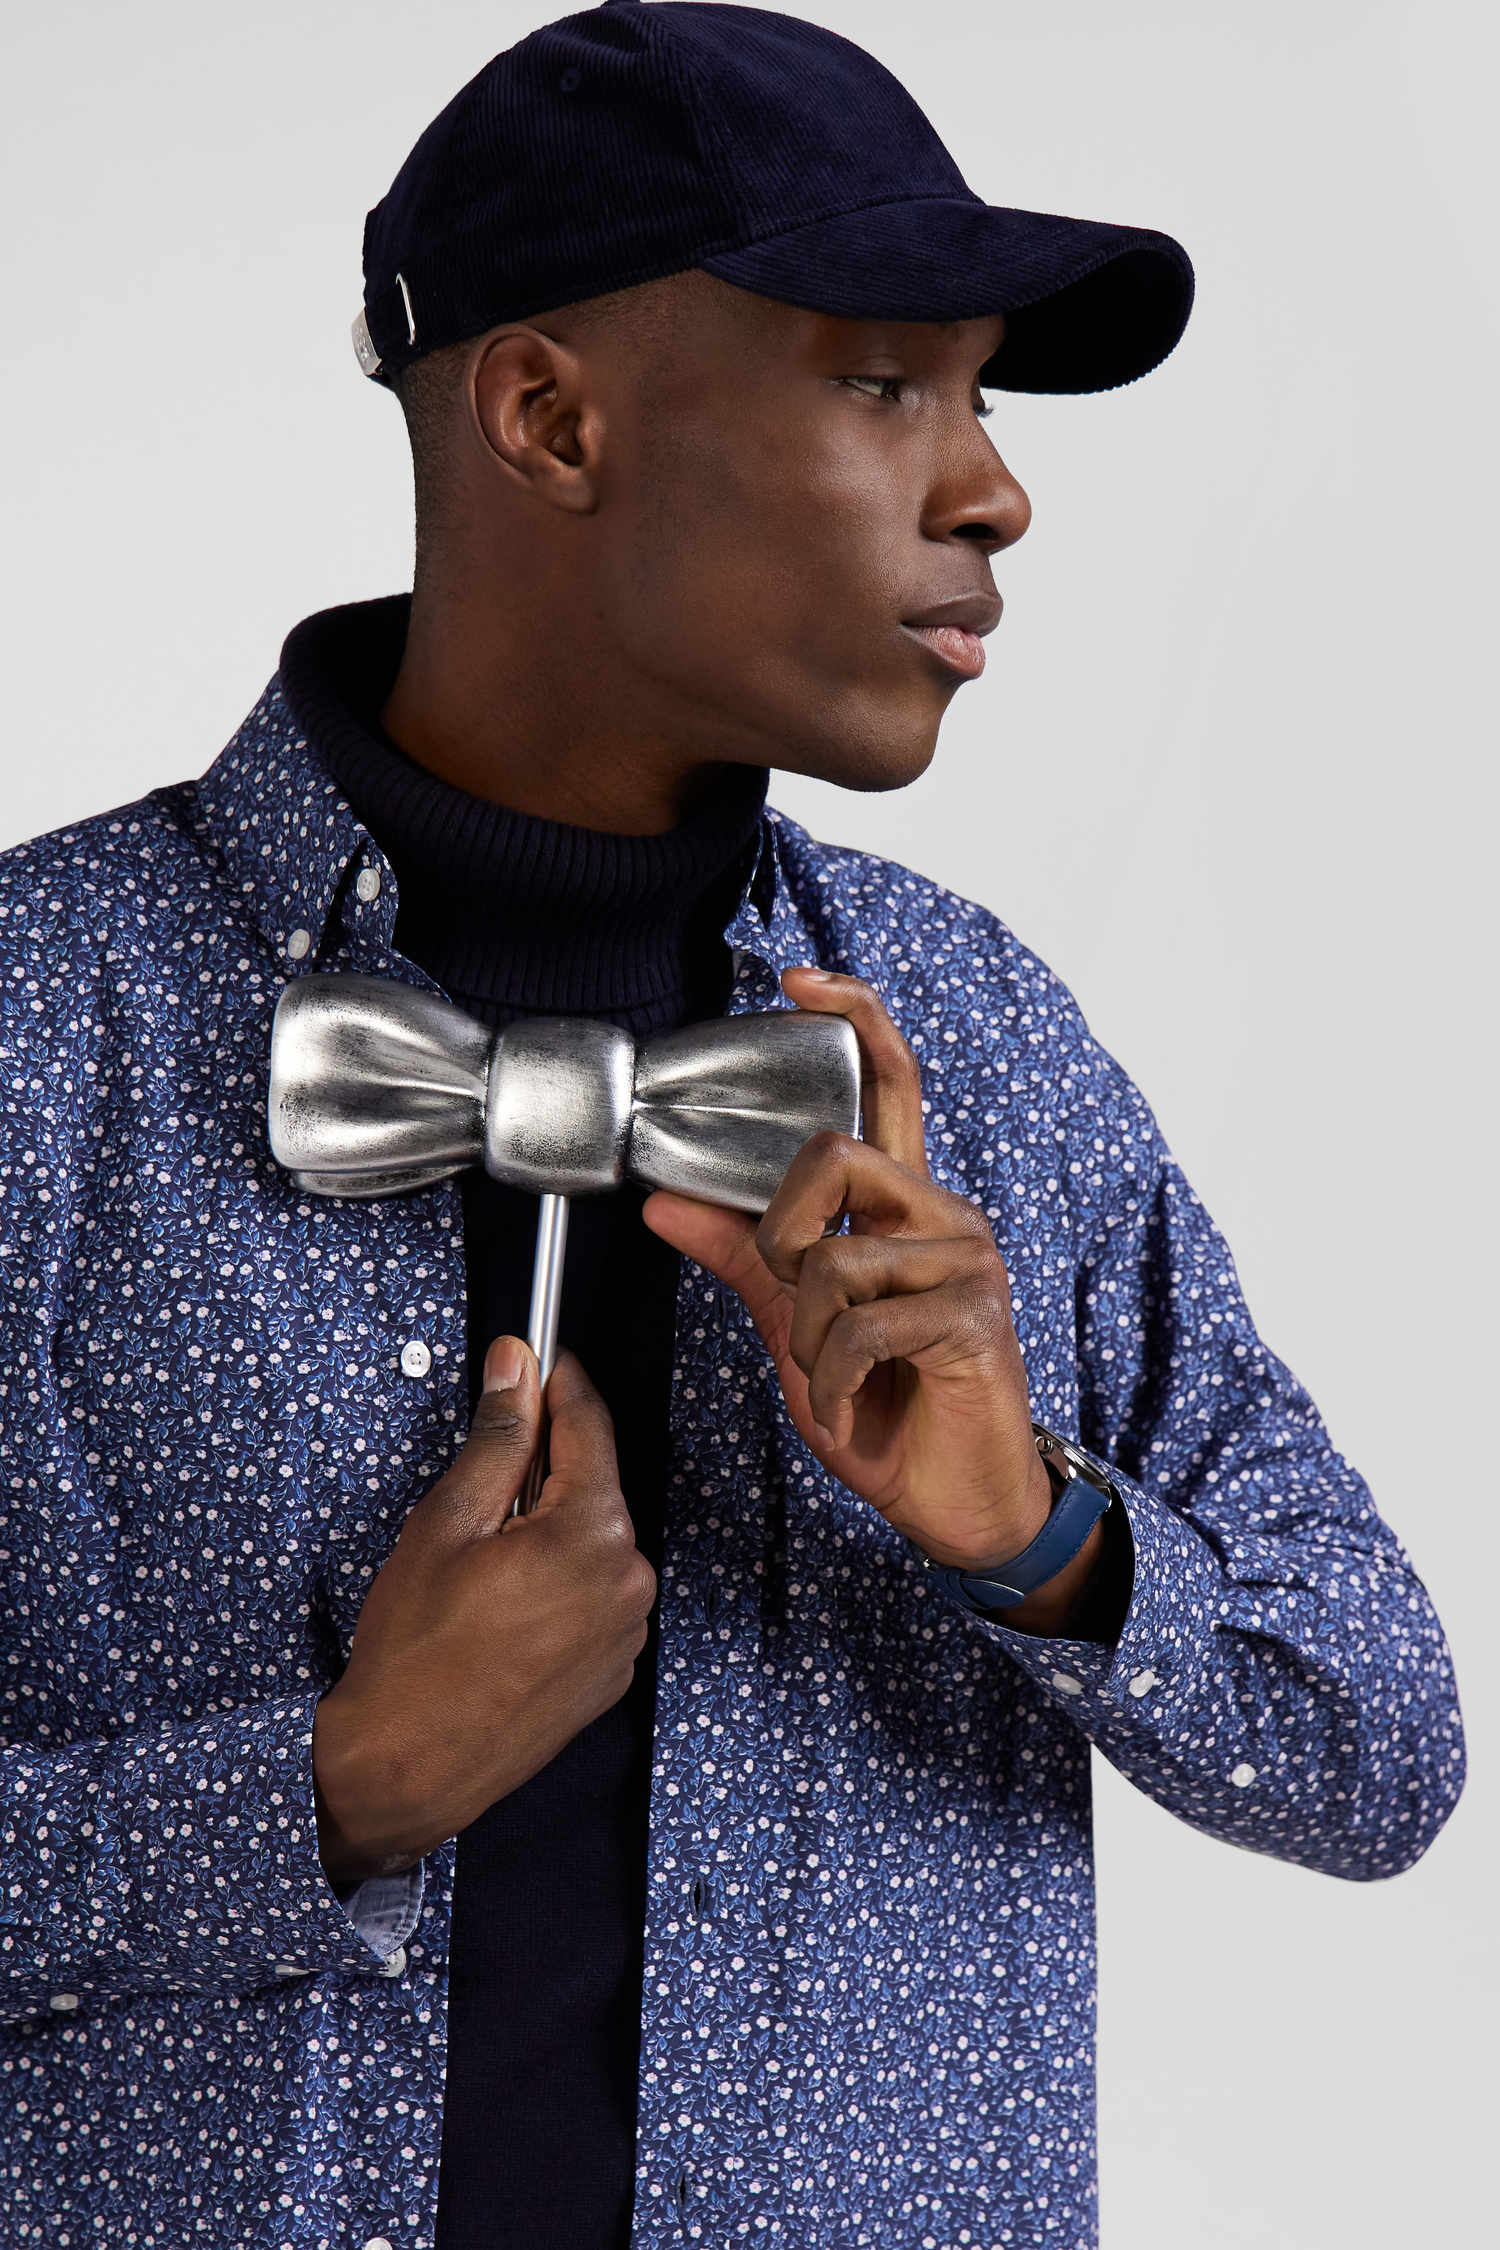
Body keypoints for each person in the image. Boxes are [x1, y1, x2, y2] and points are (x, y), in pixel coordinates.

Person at [0, 4, 1465, 2247]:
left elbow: (1379, 1752)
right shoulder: (38, 1025)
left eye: (983, 397)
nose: (995, 490)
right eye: (885, 384)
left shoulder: (984, 1046)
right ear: (550, 417)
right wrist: (324, 1790)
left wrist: (1036, 1531)